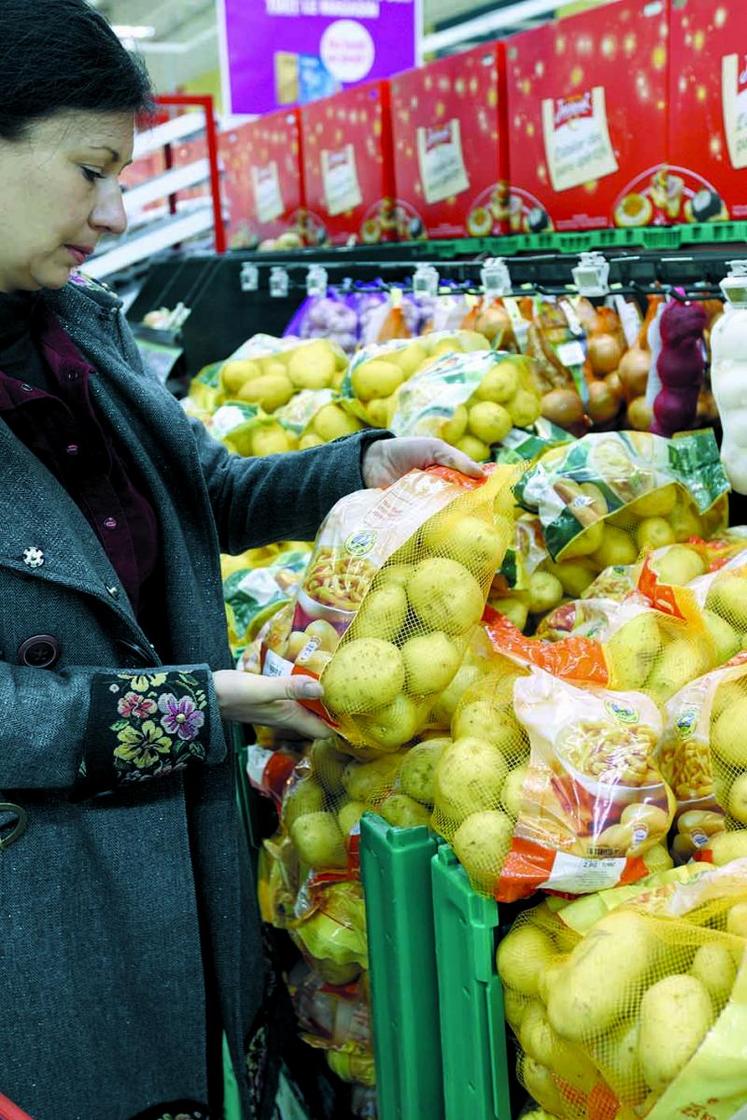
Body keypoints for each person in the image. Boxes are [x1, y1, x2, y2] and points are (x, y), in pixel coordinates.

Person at [0, 3, 483, 1118]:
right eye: (90, 171)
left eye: (124, 176)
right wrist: (194, 707)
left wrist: (358, 466)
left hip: (171, 845)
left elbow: (202, 493)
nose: (115, 213)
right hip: (42, 893)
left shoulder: (78, 324)